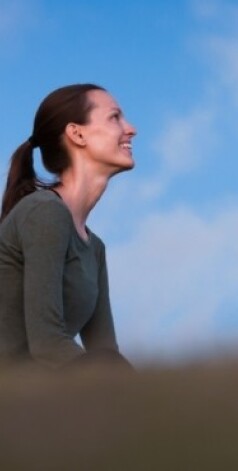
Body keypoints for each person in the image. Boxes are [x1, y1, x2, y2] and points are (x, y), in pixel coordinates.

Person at [0, 84, 136, 370]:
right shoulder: (45, 213)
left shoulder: (95, 248)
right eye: (115, 118)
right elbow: (47, 346)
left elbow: (105, 351)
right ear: (77, 134)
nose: (131, 129)